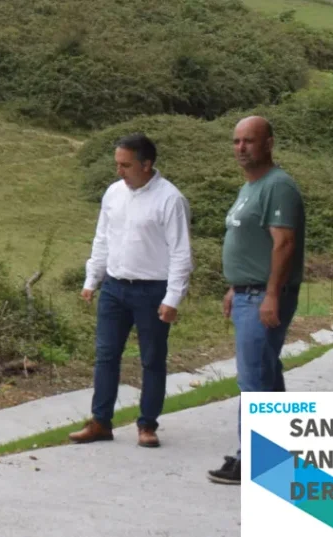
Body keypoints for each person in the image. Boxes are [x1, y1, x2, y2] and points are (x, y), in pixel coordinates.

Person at [69, 133, 194, 448]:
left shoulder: (170, 199)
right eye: (117, 164)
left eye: (126, 165)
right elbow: (103, 238)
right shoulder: (113, 194)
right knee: (106, 355)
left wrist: (173, 298)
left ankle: (147, 425)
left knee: (152, 358)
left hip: (152, 290)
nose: (119, 171)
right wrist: (91, 279)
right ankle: (101, 422)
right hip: (114, 287)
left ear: (147, 164)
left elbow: (181, 253)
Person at [207, 116, 305, 485]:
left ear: (268, 143)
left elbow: (284, 244)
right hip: (247, 292)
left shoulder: (278, 186)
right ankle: (280, 459)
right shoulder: (250, 186)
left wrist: (270, 295)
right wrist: (236, 285)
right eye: (236, 141)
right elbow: (253, 245)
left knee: (254, 381)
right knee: (267, 376)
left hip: (263, 297)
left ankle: (249, 460)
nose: (241, 147)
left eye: (249, 140)